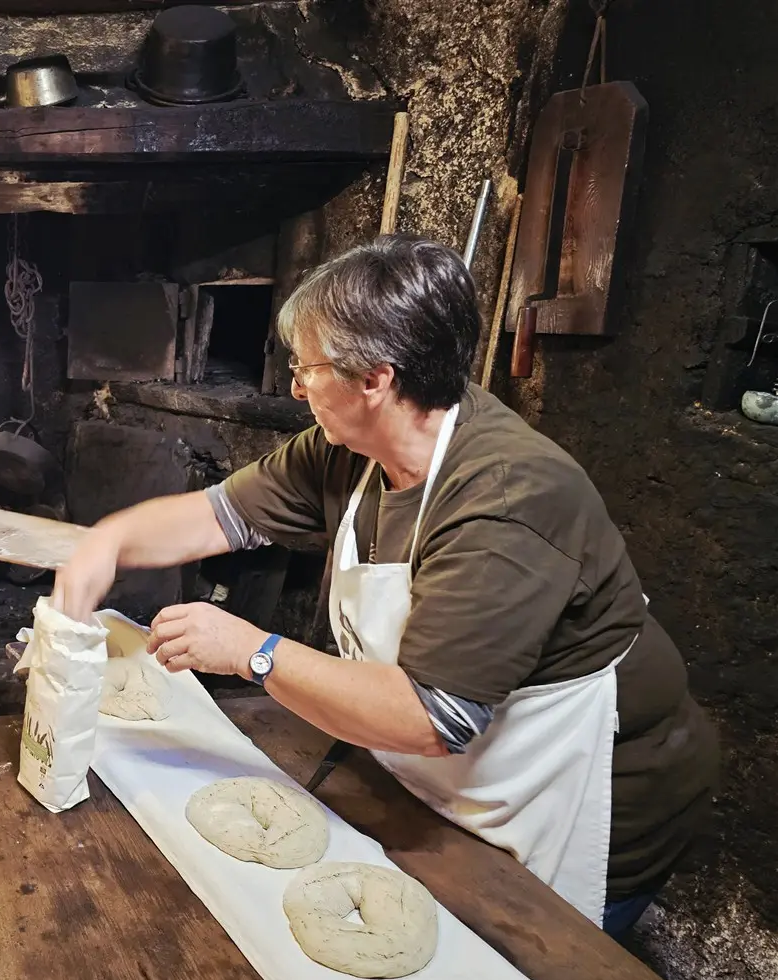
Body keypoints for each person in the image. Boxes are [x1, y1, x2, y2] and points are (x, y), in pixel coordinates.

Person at [53, 234, 719, 938]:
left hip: (578, 794)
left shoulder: (506, 499)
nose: (295, 387)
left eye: (307, 369)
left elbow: (431, 717)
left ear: (375, 378)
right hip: (453, 774)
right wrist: (107, 544)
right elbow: (221, 514)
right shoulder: (346, 448)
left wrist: (254, 651)